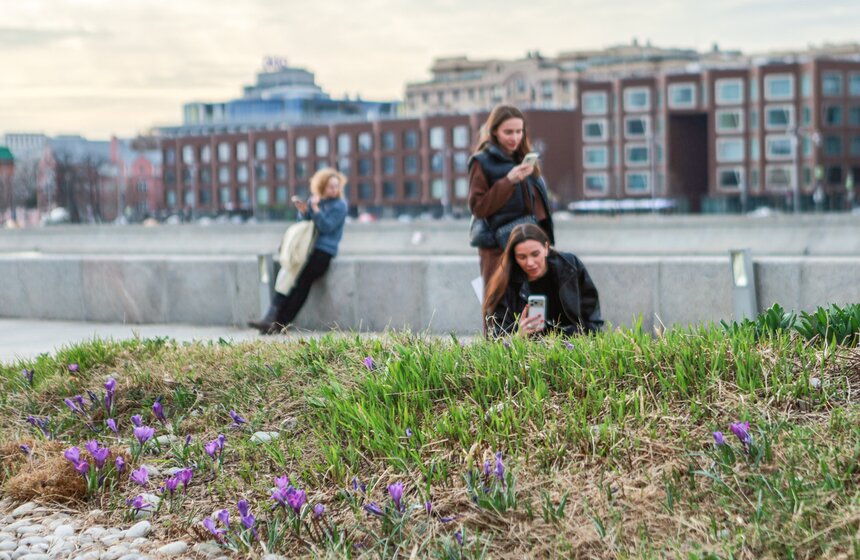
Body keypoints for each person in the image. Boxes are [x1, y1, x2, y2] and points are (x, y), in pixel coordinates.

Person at [248, 168, 348, 334]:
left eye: (337, 186)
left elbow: (327, 227)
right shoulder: (316, 201)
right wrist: (305, 211)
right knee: (287, 280)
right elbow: (303, 223)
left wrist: (315, 210)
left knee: (301, 285)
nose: (334, 190)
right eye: (331, 186)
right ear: (322, 186)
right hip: (304, 251)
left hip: (322, 253)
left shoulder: (339, 205)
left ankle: (279, 323)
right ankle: (270, 319)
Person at [468, 104, 554, 289]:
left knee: (533, 308)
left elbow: (538, 208)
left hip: (530, 246)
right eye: (508, 132)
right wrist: (508, 181)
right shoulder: (481, 162)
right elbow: (478, 207)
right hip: (498, 248)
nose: (515, 137)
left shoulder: (524, 159)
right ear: (495, 131)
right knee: (498, 309)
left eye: (519, 131)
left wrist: (546, 244)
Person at [483, 223, 602, 338]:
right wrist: (518, 336)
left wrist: (589, 337)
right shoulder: (506, 285)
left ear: (546, 248)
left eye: (535, 254)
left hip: (573, 346)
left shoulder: (569, 265)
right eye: (522, 257)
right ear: (514, 256)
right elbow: (497, 339)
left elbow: (591, 310)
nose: (530, 263)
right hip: (532, 352)